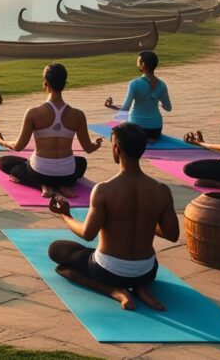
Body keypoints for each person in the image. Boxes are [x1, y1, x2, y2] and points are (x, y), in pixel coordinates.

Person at [47, 122, 180, 311]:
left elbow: (87, 233)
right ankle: (140, 289)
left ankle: (114, 291)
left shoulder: (104, 190)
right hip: (147, 272)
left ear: (116, 149)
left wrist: (65, 216)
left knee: (57, 251)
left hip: (108, 272)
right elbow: (172, 234)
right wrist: (147, 220)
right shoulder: (161, 191)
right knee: (133, 269)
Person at [0, 63, 102, 198]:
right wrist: (96, 144)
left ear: (45, 84)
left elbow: (18, 146)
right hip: (67, 175)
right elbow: (88, 148)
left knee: (4, 162)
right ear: (64, 84)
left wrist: (0, 140)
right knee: (81, 162)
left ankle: (43, 185)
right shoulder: (78, 115)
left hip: (39, 173)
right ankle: (63, 186)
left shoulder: (33, 113)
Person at [104, 51, 171, 143]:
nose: (137, 64)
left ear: (143, 64)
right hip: (155, 130)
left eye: (138, 62)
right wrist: (156, 102)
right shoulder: (162, 85)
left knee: (113, 133)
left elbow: (125, 108)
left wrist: (111, 106)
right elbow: (168, 108)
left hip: (136, 129)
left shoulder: (134, 83)